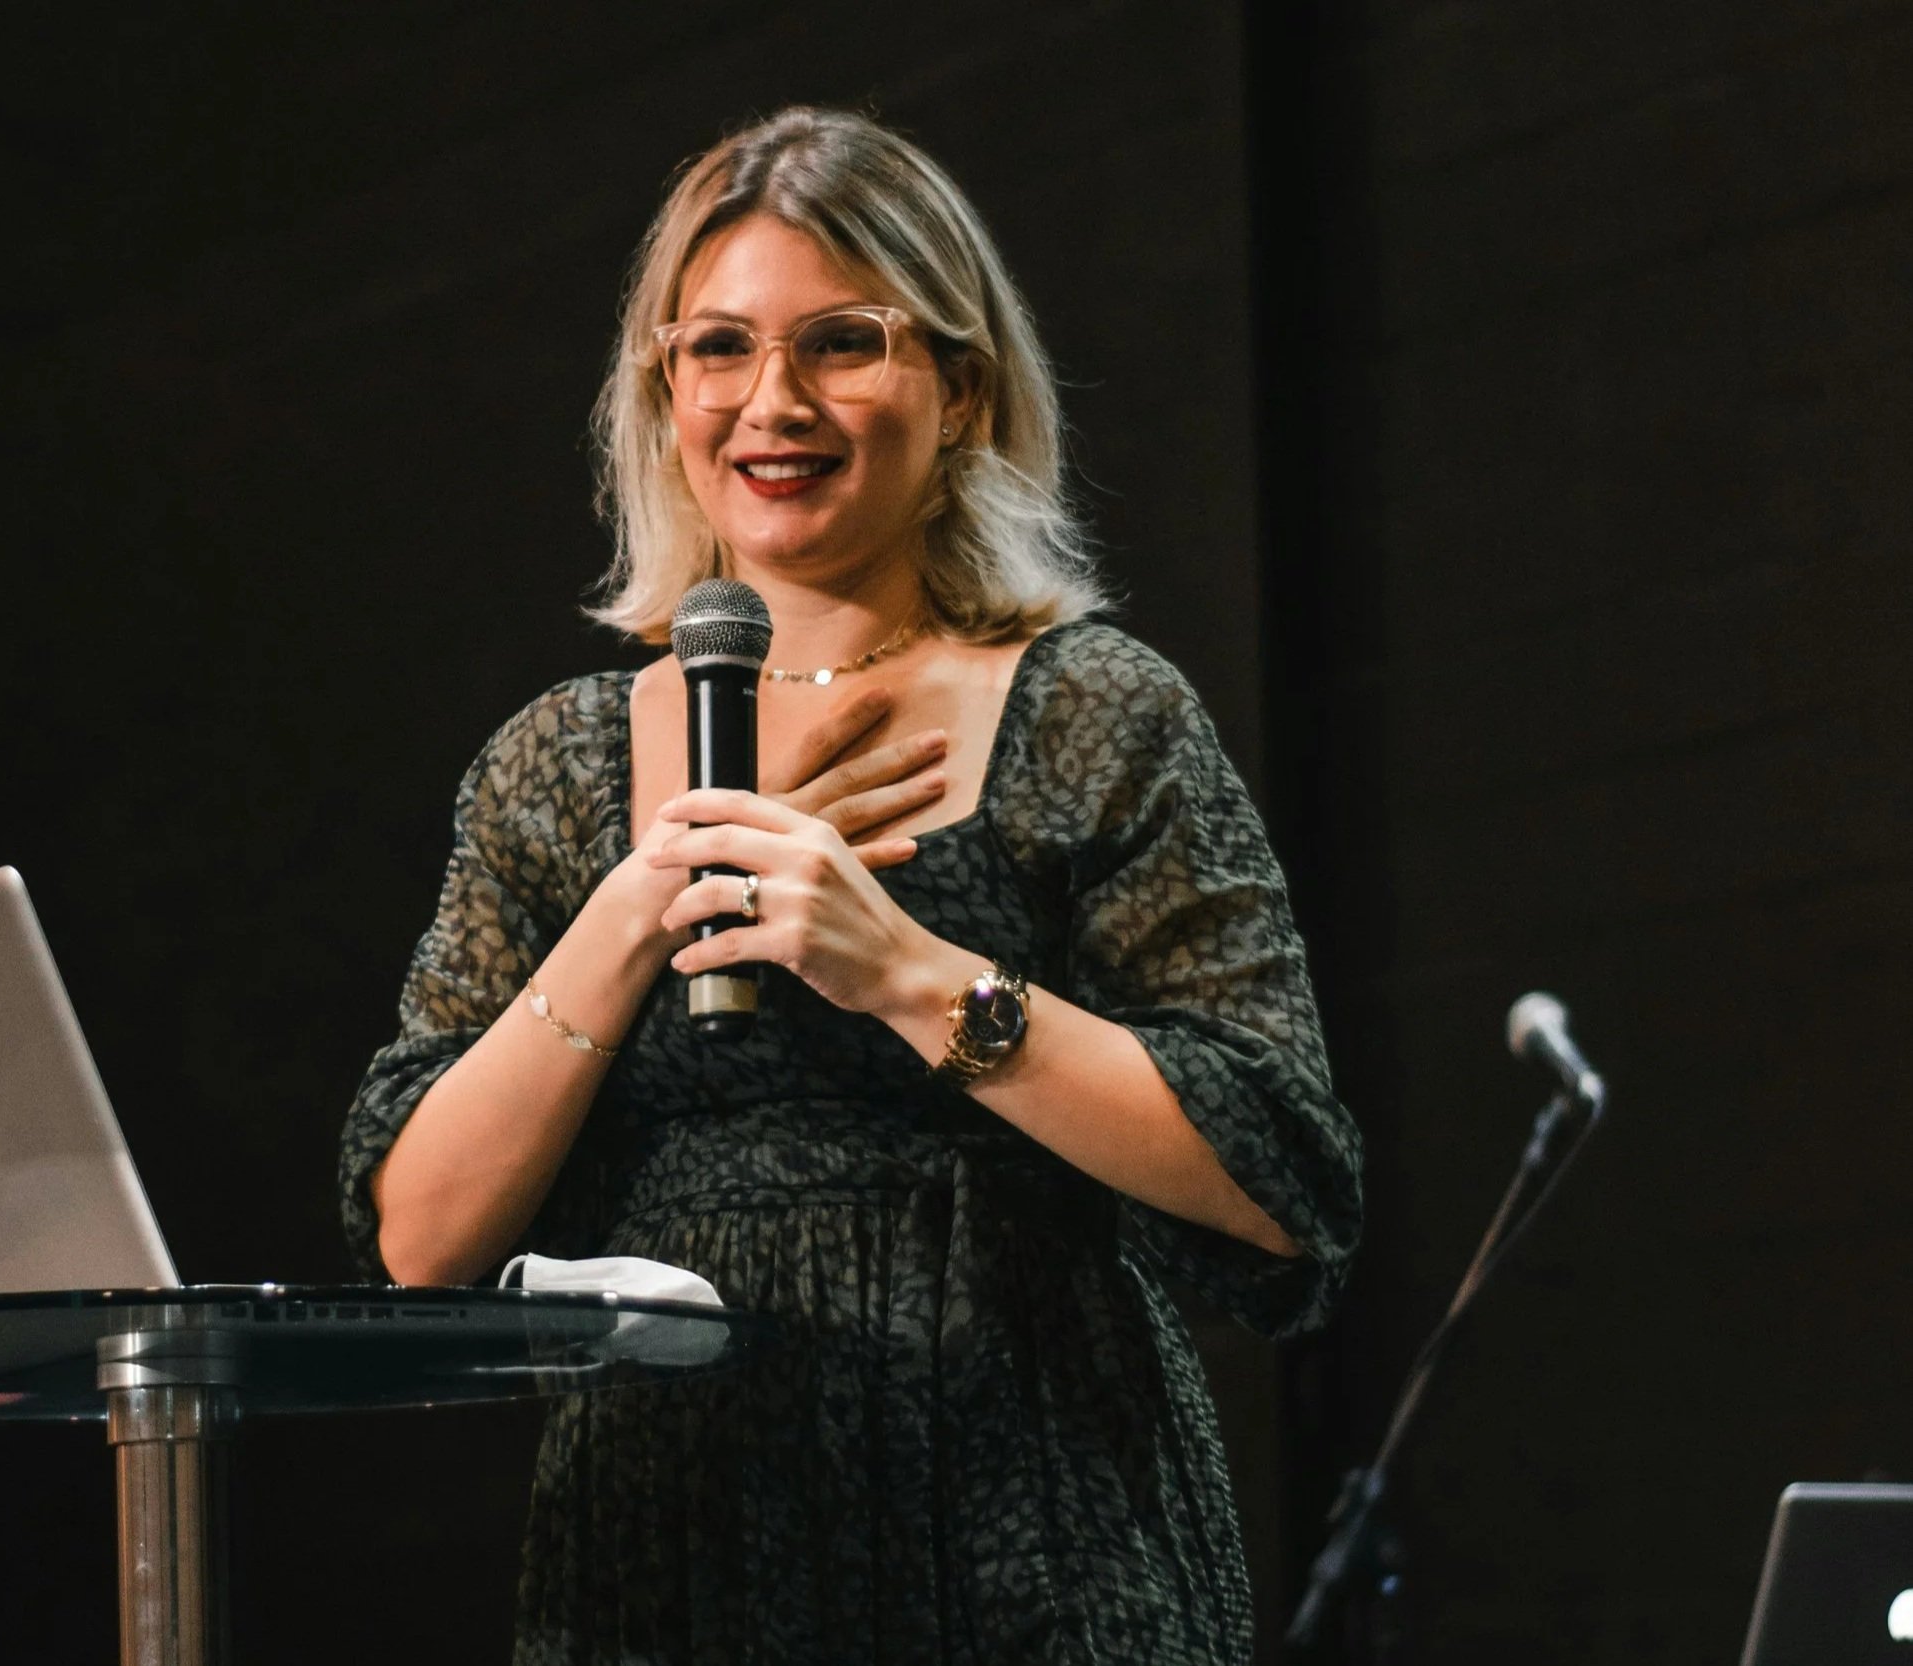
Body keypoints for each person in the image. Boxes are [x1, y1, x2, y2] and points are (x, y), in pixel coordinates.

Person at [340, 106, 1363, 1665]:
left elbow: (1281, 1173)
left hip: (1028, 1536)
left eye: (841, 341)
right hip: (669, 1556)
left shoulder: (1095, 713)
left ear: (961, 391)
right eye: (720, 349)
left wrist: (905, 970)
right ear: (663, 395)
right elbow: (418, 1237)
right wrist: (638, 907)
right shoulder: (554, 765)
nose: (775, 401)